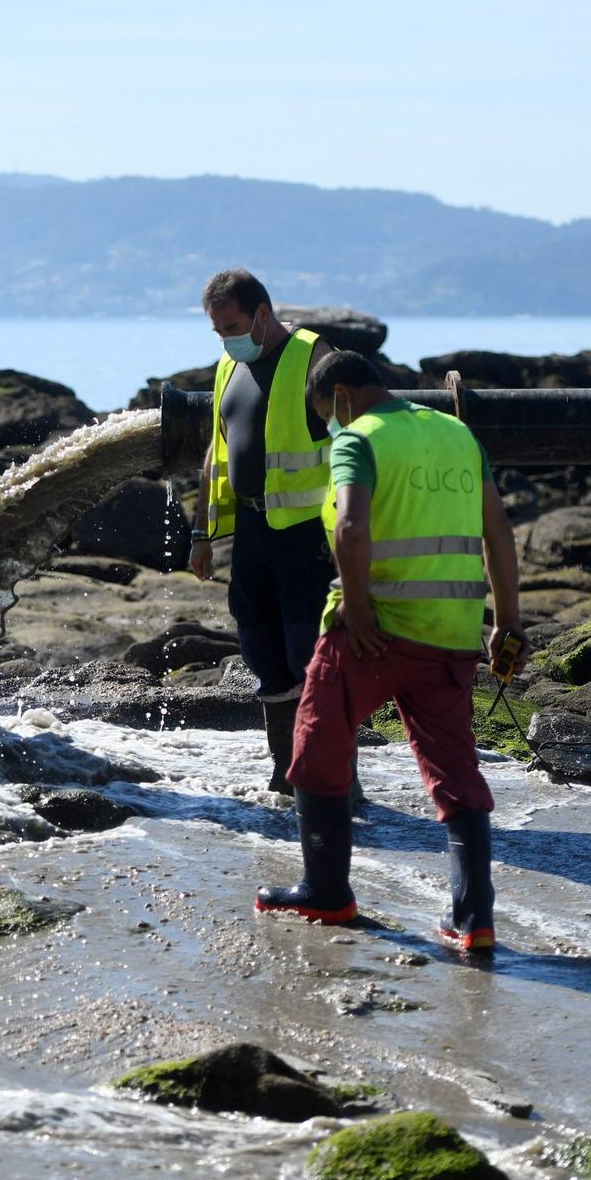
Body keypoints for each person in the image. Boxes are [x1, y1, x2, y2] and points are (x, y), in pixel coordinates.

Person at [256, 350, 526, 953]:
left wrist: (357, 608)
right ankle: (473, 920)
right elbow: (498, 533)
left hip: (372, 633)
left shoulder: (358, 439)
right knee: (454, 769)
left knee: (318, 743)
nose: (329, 423)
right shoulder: (458, 435)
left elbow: (351, 530)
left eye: (324, 411)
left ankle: (325, 892)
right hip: (452, 633)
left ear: (343, 397)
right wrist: (507, 621)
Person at [187, 268, 336, 793]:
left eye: (232, 326)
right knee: (262, 653)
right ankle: (285, 772)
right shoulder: (230, 365)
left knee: (308, 656)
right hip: (251, 532)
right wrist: (202, 534)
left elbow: (351, 447)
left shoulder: (314, 357)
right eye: (217, 330)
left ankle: (330, 776)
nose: (226, 338)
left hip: (305, 536)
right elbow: (216, 452)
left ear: (262, 314)